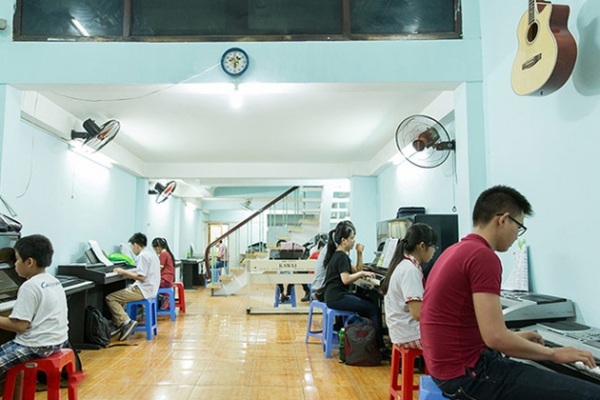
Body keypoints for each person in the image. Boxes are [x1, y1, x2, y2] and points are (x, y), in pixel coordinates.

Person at [420, 185, 600, 399]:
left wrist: (513, 338)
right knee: (590, 393)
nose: (516, 236)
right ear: (503, 220)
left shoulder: (454, 251)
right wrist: (555, 353)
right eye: (519, 227)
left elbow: (469, 327)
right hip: (470, 375)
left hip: (447, 372)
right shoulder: (483, 256)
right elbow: (496, 337)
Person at [0, 235, 68, 399]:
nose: (14, 265)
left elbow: (19, 326)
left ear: (29, 262)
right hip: (56, 341)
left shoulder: (29, 286)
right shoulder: (53, 281)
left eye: (17, 259)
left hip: (37, 345)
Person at [323, 221, 389, 359]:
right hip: (337, 298)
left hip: (334, 296)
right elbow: (346, 279)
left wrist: (359, 253)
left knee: (369, 301)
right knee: (373, 309)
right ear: (344, 240)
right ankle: (380, 347)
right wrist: (363, 274)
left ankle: (372, 341)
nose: (354, 241)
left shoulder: (341, 254)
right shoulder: (341, 256)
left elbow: (357, 270)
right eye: (352, 238)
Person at [382, 223, 437, 350]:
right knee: (454, 335)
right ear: (422, 246)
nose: (434, 251)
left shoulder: (403, 264)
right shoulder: (410, 270)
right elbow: (417, 313)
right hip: (409, 334)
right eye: (433, 246)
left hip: (401, 331)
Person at [106, 232, 160, 341]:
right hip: (151, 289)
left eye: (131, 246)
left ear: (136, 245)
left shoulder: (142, 256)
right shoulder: (151, 255)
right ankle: (118, 324)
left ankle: (126, 322)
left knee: (110, 298)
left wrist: (124, 272)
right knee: (120, 296)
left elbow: (142, 277)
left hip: (143, 290)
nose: (132, 249)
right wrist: (129, 273)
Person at [152, 237, 175, 311]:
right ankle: (162, 299)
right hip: (168, 280)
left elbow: (159, 268)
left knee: (149, 286)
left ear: (158, 248)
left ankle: (152, 307)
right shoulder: (167, 253)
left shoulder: (163, 254)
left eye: (154, 249)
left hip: (165, 280)